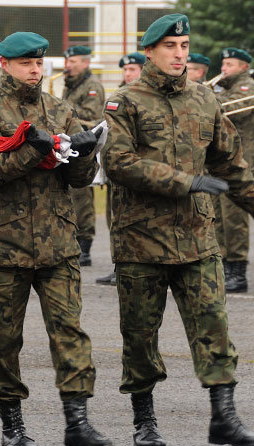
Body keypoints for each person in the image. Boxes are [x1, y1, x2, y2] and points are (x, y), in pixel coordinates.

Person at [103, 13, 254, 446]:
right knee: (140, 335)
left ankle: (223, 417)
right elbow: (120, 163)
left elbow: (231, 165)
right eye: (170, 47)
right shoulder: (123, 101)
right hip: (141, 240)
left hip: (197, 238)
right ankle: (144, 423)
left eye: (184, 47)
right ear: (149, 51)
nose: (179, 55)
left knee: (214, 327)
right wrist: (186, 181)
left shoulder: (205, 99)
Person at [0, 31, 114, 446]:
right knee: (3, 339)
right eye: (26, 63)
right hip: (3, 245)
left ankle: (77, 424)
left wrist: (85, 153)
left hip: (58, 242)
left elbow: (77, 181)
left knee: (70, 333)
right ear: (5, 64)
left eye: (40, 62)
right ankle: (13, 427)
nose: (35, 70)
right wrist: (34, 150)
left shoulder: (59, 108)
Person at [213, 47, 254, 292]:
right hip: (224, 162)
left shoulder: (247, 87)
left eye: (230, 65)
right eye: (223, 64)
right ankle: (224, 264)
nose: (224, 69)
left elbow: (232, 109)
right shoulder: (225, 89)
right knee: (220, 219)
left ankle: (238, 270)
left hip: (241, 163)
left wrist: (203, 97)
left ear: (244, 67)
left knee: (235, 219)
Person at [96, 53, 147, 287]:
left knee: (133, 221)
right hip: (114, 168)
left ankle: (135, 268)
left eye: (133, 69)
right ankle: (120, 266)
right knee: (114, 219)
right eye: (125, 70)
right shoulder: (117, 97)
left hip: (135, 169)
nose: (128, 74)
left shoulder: (146, 97)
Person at [62, 45, 105, 267]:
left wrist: (61, 109)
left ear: (86, 63)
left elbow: (90, 115)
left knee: (82, 197)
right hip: (69, 144)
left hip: (85, 144)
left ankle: (85, 246)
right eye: (68, 61)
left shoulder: (92, 86)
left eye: (74, 61)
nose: (68, 65)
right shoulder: (70, 86)